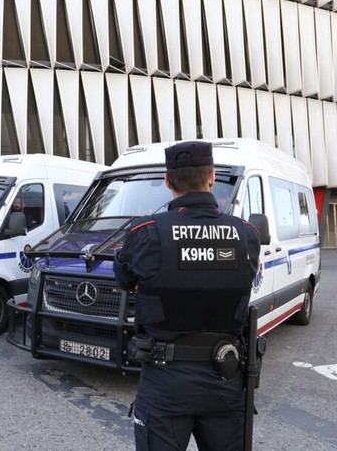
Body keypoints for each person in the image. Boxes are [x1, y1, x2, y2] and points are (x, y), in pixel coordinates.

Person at [114, 141, 261, 451]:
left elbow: (124, 278)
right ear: (211, 177)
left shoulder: (146, 233)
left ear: (168, 181)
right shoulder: (246, 234)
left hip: (165, 379)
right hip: (225, 376)